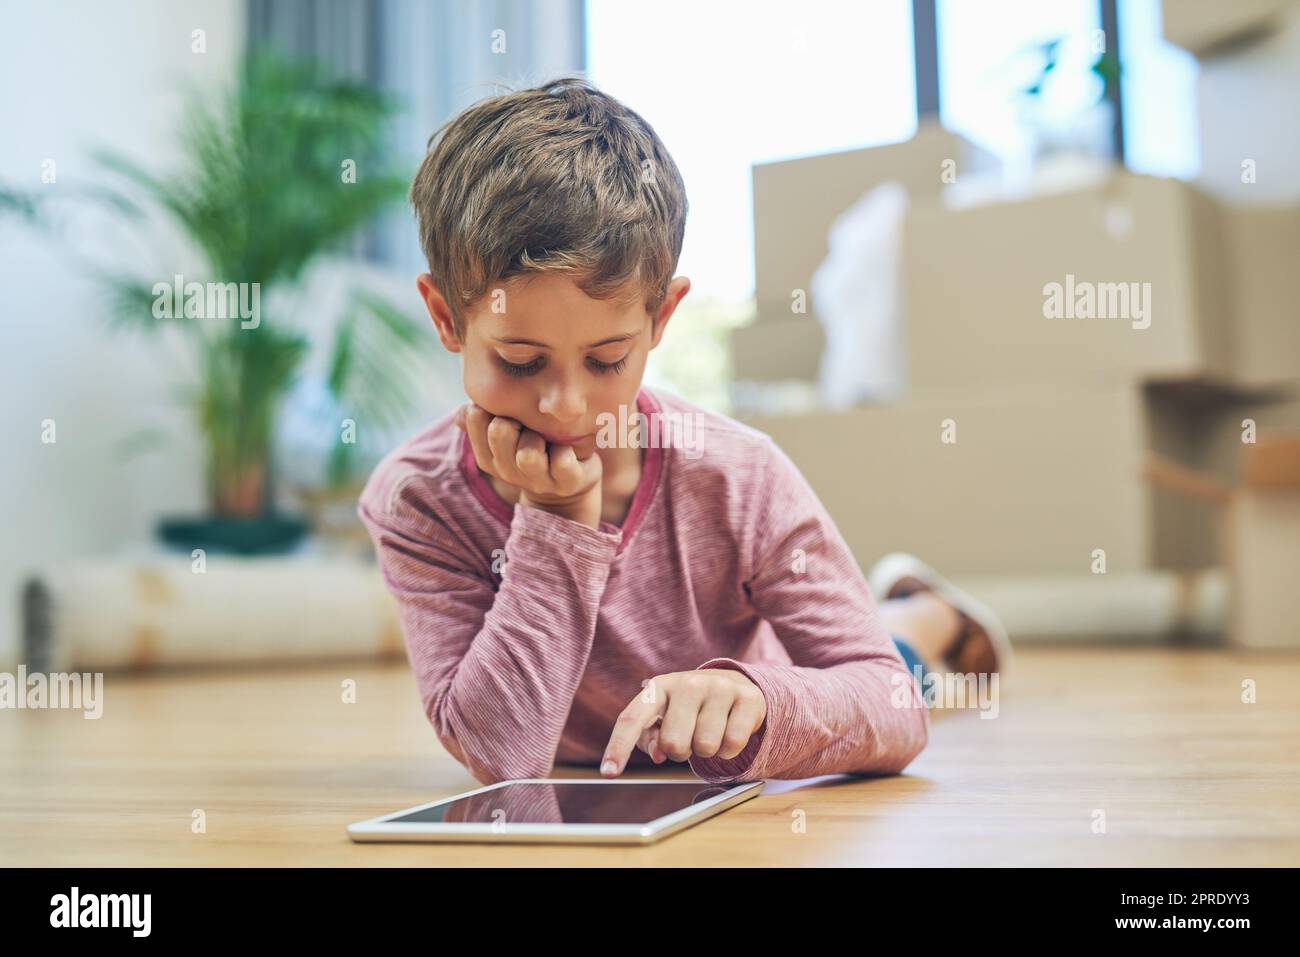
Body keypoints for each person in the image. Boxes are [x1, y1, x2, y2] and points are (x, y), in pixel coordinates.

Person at [357, 76, 1010, 787]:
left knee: (901, 660)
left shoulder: (738, 474)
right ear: (448, 318)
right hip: (590, 753)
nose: (568, 407)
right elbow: (503, 755)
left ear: (661, 318)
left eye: (607, 360)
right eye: (520, 361)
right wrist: (554, 522)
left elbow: (886, 701)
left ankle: (926, 613)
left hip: (760, 701)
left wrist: (758, 697)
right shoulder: (418, 499)